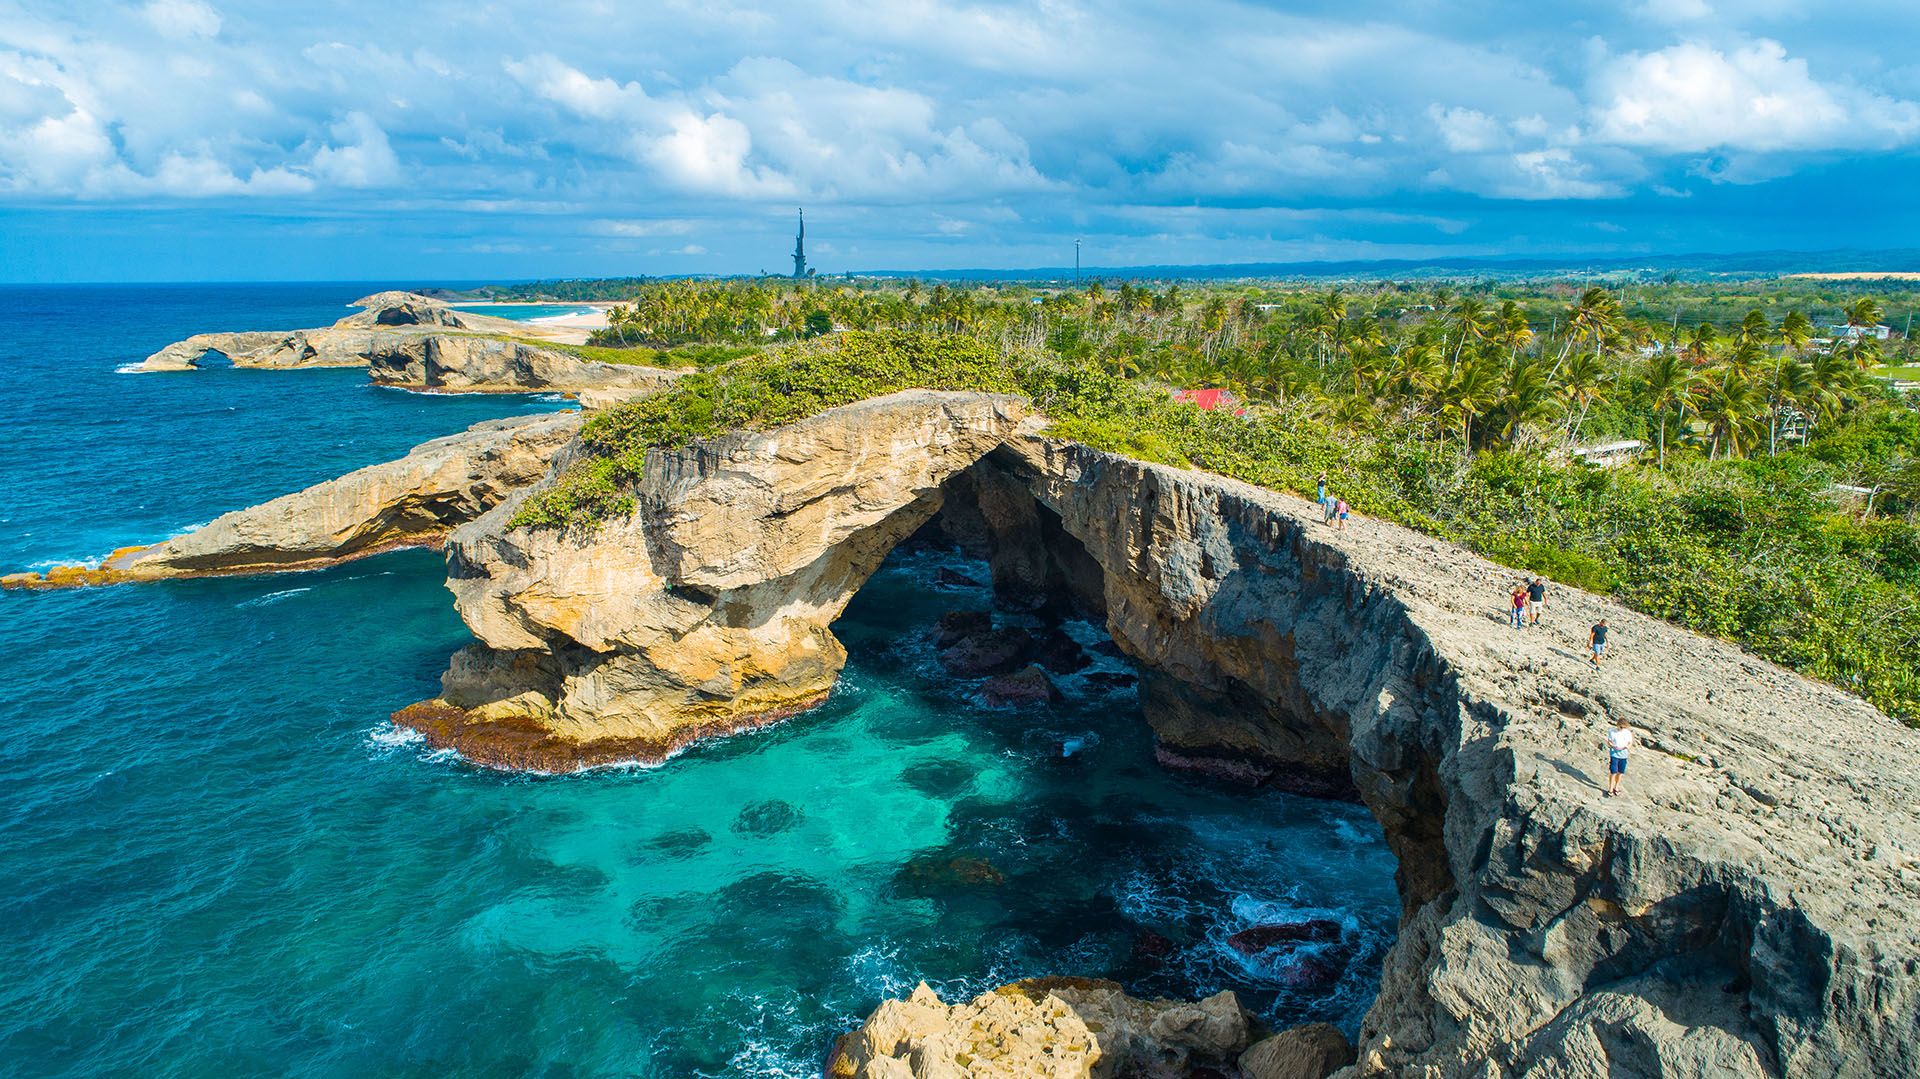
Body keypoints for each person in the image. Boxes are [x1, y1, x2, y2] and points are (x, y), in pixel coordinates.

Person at [1604, 717, 1634, 797]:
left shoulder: (1627, 733)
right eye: (1621, 727)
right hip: (1614, 754)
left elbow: (1630, 743)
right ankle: (1610, 788)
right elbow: (1609, 741)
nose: (1622, 729)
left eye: (1624, 727)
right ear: (1617, 725)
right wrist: (1612, 746)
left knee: (1620, 772)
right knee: (1613, 771)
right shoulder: (1612, 731)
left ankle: (1616, 787)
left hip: (1623, 754)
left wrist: (1626, 747)